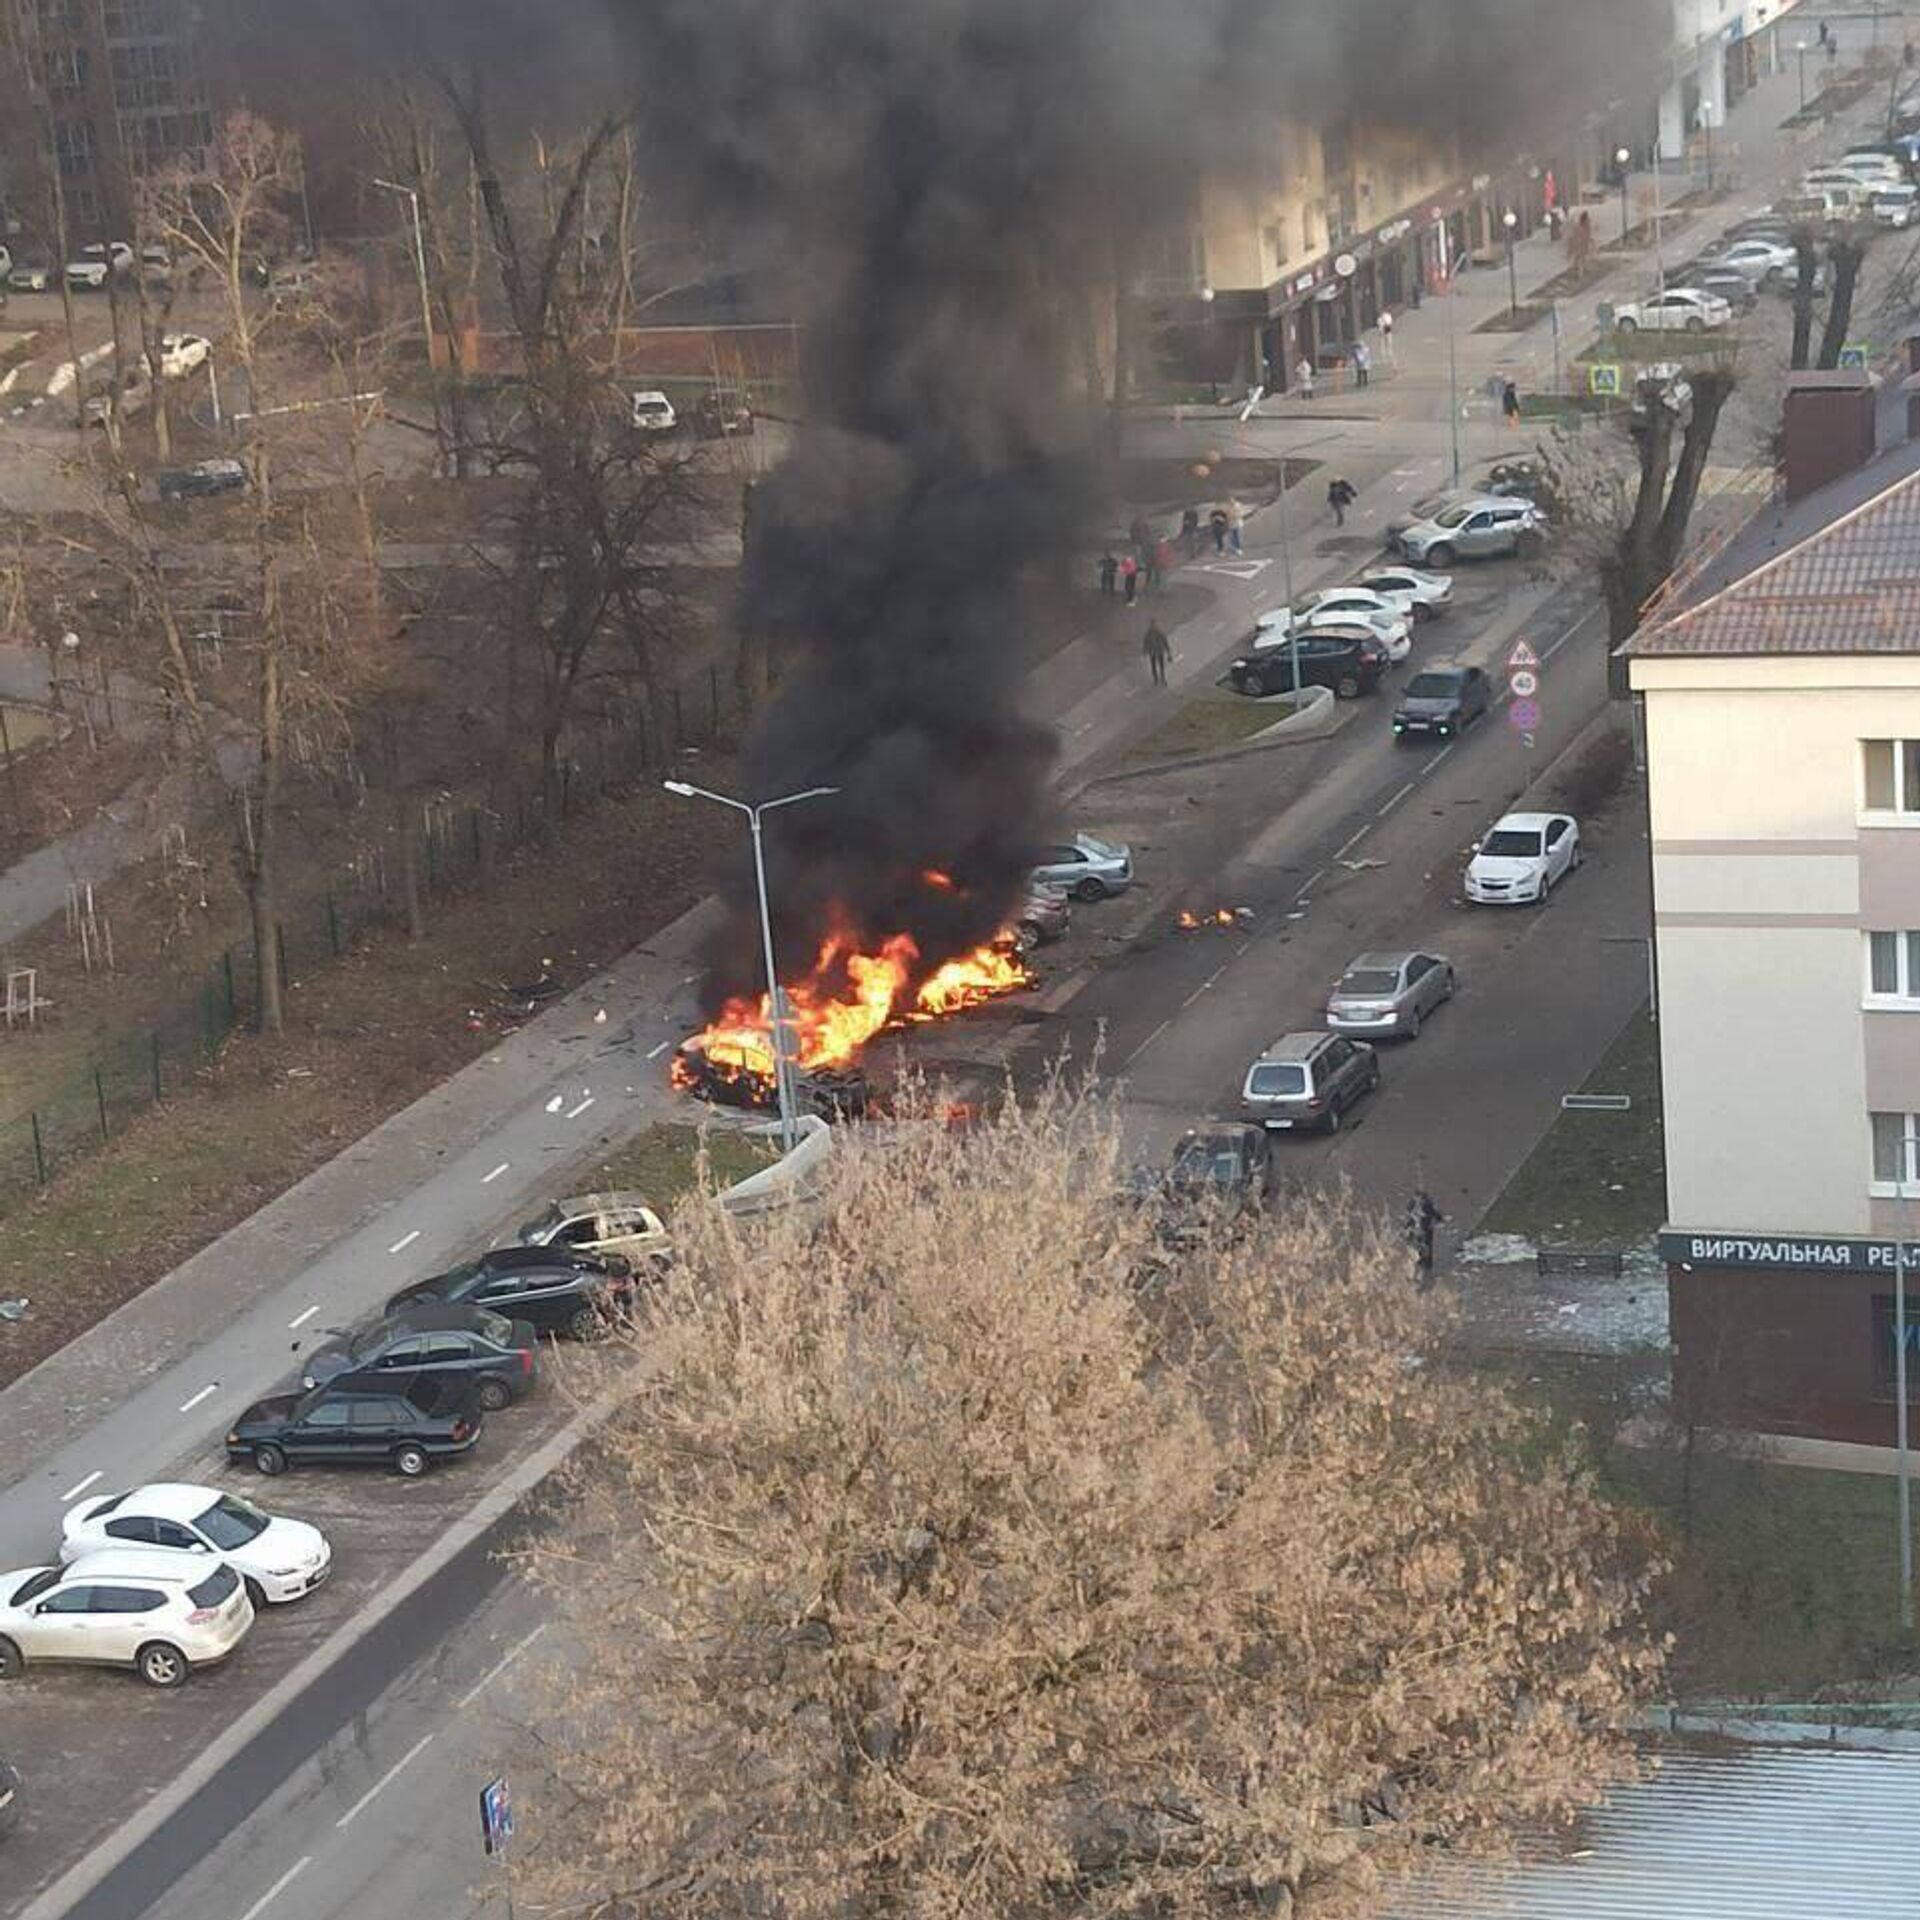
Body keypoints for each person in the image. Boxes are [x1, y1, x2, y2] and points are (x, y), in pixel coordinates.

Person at [1405, 1188, 1443, 1289]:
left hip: (1424, 1234)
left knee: (1423, 1254)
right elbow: (1409, 1220)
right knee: (1418, 1255)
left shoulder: (1427, 1206)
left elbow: (1437, 1216)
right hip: (1418, 1235)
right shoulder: (1414, 1206)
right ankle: (1417, 1276)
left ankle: (1421, 1276)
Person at [1142, 620, 1171, 686]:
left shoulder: (1158, 632)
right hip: (1153, 652)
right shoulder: (1149, 634)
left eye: (1154, 625)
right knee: (1154, 666)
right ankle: (1156, 679)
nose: (1153, 626)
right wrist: (1145, 651)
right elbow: (1145, 642)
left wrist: (1168, 652)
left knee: (1160, 666)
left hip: (1158, 651)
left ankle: (1162, 678)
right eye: (1153, 625)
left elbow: (1164, 641)